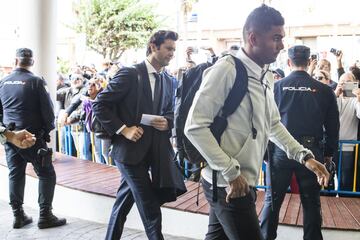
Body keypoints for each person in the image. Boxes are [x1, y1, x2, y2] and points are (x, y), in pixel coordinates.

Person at [184, 5, 330, 240]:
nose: (282, 45)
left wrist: (306, 157)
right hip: (227, 183)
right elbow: (194, 126)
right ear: (253, 38)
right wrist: (231, 172)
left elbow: (273, 125)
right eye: (276, 38)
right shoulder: (226, 70)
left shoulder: (266, 75)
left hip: (240, 181)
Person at [92, 30, 186, 240]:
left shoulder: (167, 80)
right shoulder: (130, 74)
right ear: (154, 46)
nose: (172, 53)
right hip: (128, 154)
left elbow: (169, 111)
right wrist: (124, 129)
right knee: (150, 206)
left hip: (152, 154)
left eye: (173, 49)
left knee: (123, 203)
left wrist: (167, 122)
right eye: (169, 48)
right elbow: (100, 104)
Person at [260, 45, 340, 240]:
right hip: (312, 153)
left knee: (272, 201)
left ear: (289, 62)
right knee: (311, 202)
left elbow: (263, 123)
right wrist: (328, 156)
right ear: (309, 62)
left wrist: (265, 155)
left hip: (280, 151)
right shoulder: (324, 90)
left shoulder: (275, 88)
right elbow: (332, 128)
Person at [0, 48, 66, 229]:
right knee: (46, 174)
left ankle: (18, 215)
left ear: (15, 61)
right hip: (33, 138)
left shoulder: (3, 82)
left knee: (15, 173)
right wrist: (46, 132)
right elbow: (47, 110)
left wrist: (6, 134)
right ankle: (45, 215)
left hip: (11, 138)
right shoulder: (36, 82)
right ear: (32, 62)